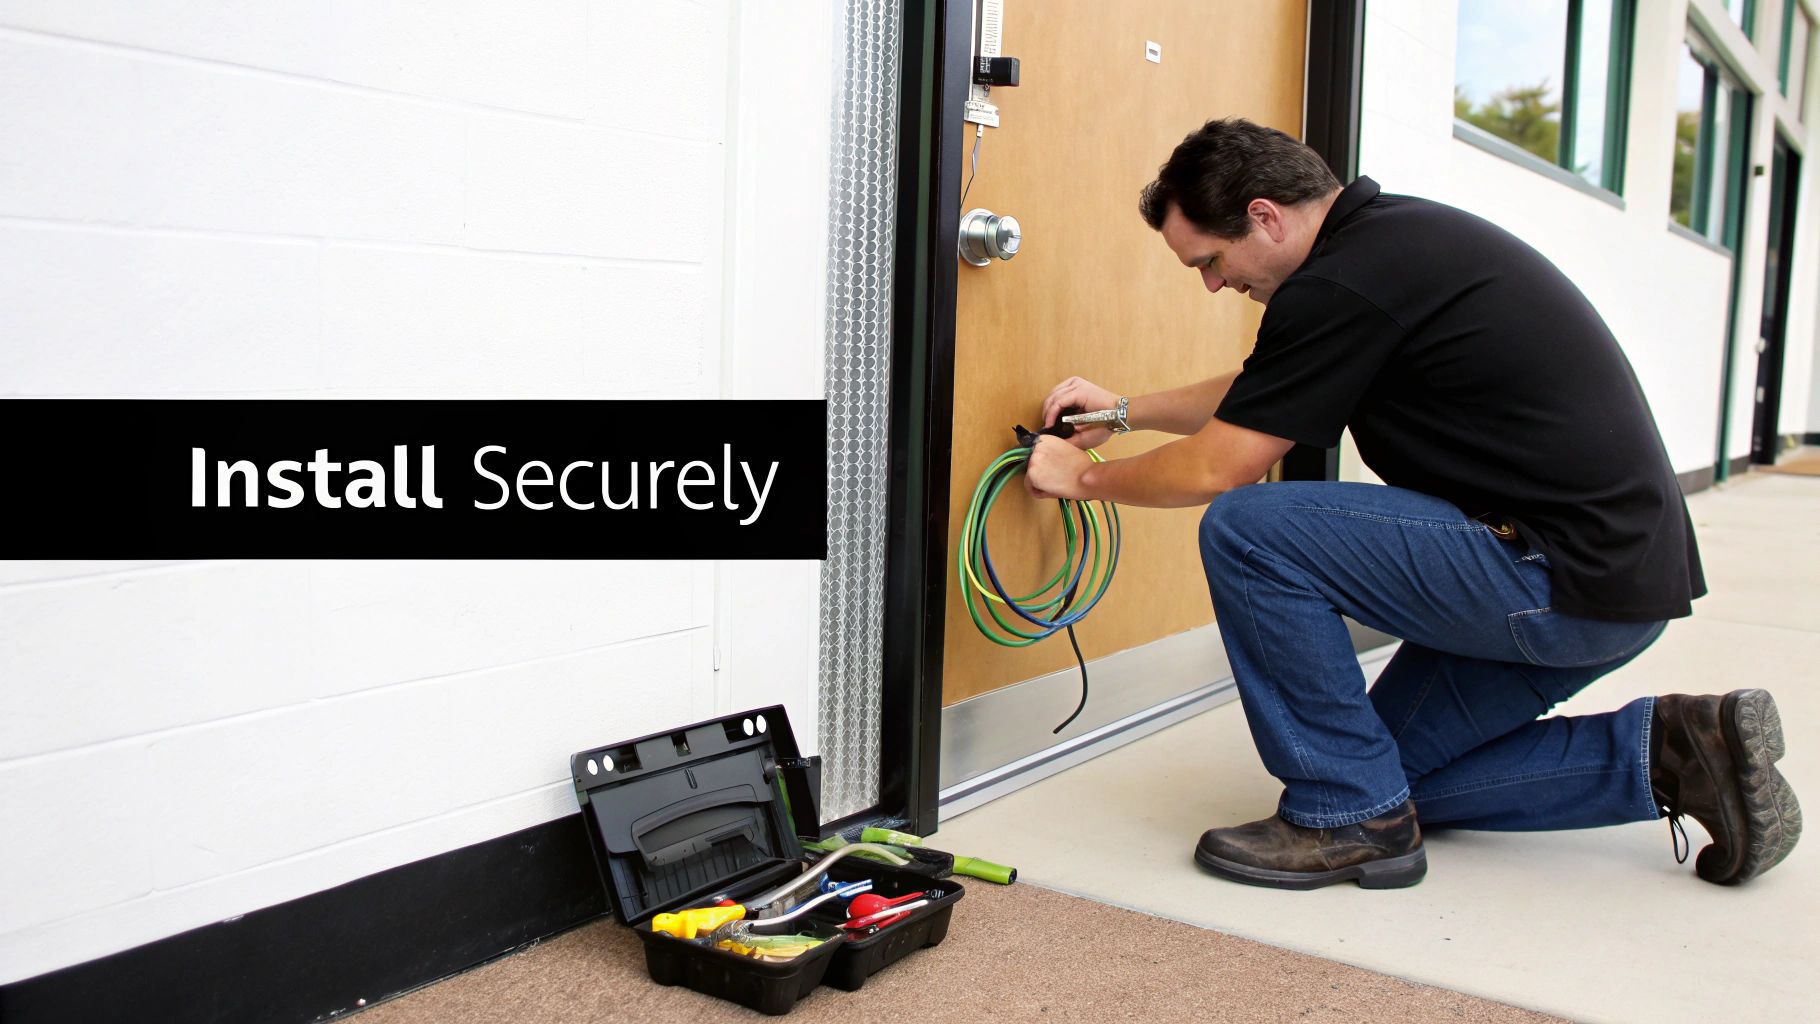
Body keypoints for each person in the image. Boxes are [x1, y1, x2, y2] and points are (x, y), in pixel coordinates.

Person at [1023, 118, 1801, 890]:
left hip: (1554, 581)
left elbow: (1219, 468)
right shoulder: (1384, 253)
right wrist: (1122, 413)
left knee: (1249, 531)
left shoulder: (1340, 283)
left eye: (1211, 261)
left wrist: (1083, 479)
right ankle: (1678, 751)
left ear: (1264, 216)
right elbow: (1263, 393)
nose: (1215, 285)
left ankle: (1341, 818)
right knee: (1385, 780)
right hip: (1613, 587)